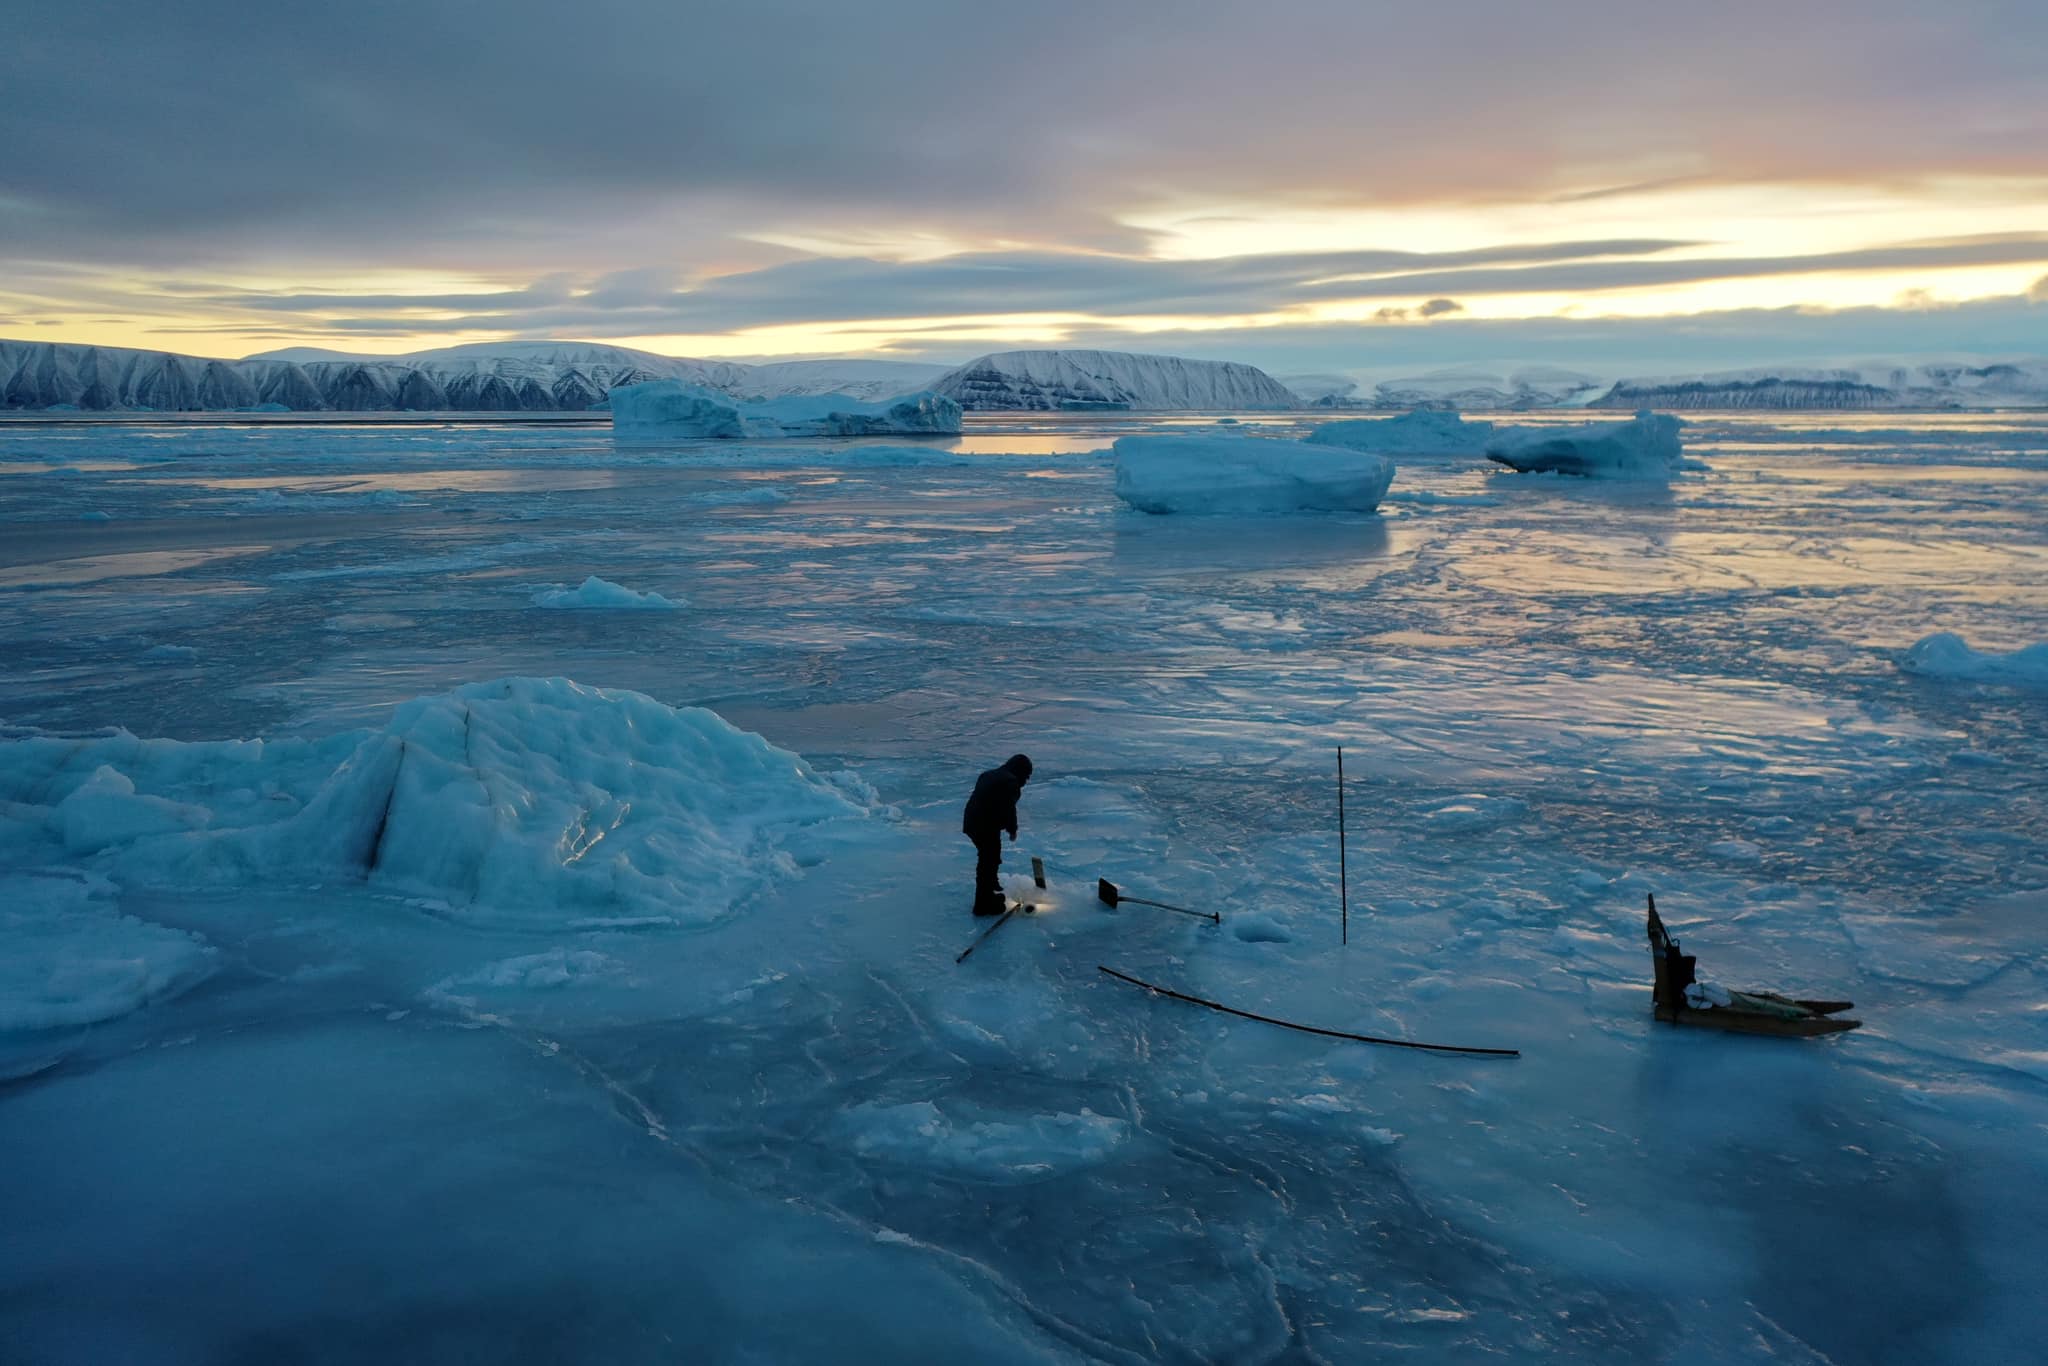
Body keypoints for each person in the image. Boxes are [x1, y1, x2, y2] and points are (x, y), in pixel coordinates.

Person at [962, 754, 1033, 915]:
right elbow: (1008, 808)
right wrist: (1012, 828)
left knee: (990, 856)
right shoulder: (1010, 782)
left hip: (972, 822)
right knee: (988, 860)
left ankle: (990, 890)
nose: (1026, 781)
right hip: (984, 825)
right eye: (1027, 776)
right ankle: (983, 904)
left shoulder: (990, 774)